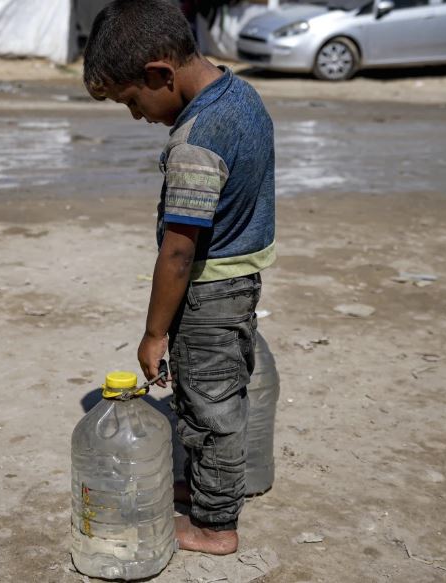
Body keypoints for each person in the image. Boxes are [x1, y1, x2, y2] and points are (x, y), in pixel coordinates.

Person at [83, 0, 275, 555]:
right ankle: (203, 487)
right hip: (238, 279)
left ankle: (214, 525)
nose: (136, 116)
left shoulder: (196, 141)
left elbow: (178, 252)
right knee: (206, 394)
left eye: (132, 101)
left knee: (211, 407)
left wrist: (154, 333)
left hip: (209, 291)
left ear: (159, 74)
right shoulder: (241, 96)